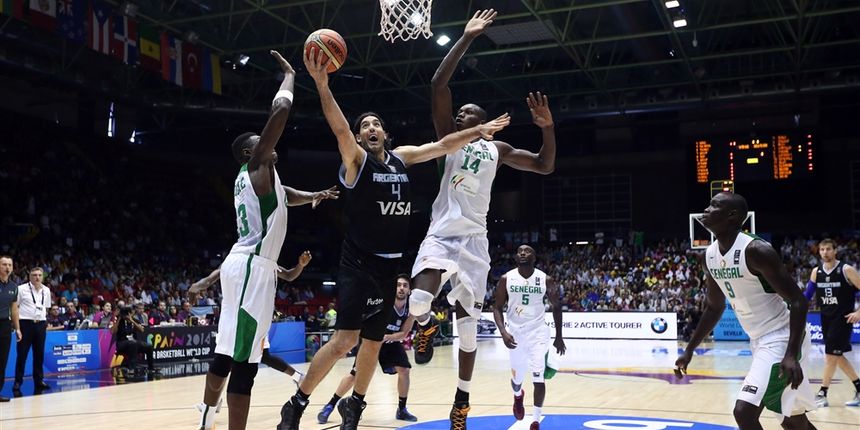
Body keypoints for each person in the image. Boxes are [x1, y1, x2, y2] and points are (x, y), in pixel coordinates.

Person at [276, 47, 510, 430]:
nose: (369, 129)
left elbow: (443, 146)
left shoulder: (402, 157)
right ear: (358, 136)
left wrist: (476, 132)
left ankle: (355, 408)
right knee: (343, 341)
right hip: (359, 261)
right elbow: (337, 126)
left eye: (375, 124)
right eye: (363, 126)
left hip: (389, 266)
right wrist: (322, 85)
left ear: (385, 133)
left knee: (372, 342)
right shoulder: (356, 159)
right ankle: (297, 403)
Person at [408, 9, 556, 427]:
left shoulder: (499, 149)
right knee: (419, 301)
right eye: (459, 115)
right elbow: (439, 84)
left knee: (470, 329)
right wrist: (467, 36)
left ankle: (462, 401)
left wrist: (547, 128)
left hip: (475, 243)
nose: (460, 117)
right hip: (441, 235)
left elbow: (544, 166)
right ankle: (425, 325)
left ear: (484, 121)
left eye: (467, 114)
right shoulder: (449, 140)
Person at [196, 49, 298, 430]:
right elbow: (281, 114)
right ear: (248, 152)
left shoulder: (262, 180)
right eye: (260, 143)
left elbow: (289, 194)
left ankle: (207, 417)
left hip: (250, 267)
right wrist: (289, 77)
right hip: (252, 267)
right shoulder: (255, 166)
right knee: (245, 360)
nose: (268, 147)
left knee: (229, 351)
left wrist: (316, 196)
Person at [676, 192, 817, 430]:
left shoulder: (756, 250)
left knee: (744, 411)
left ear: (732, 216)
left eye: (714, 206)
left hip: (782, 337)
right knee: (792, 420)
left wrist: (791, 354)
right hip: (759, 341)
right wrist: (689, 349)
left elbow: (798, 301)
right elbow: (714, 306)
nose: (706, 210)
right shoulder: (709, 256)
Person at [316, 274, 418, 424]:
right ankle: (330, 405)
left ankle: (401, 409)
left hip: (389, 342)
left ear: (409, 290)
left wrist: (385, 338)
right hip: (371, 342)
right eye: (399, 285)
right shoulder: (383, 302)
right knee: (354, 375)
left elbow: (403, 333)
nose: (402, 288)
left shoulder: (411, 310)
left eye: (405, 285)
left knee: (404, 370)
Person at [492, 245, 566, 430]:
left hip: (538, 332)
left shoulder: (545, 279)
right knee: (517, 378)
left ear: (534, 257)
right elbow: (496, 307)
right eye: (520, 251)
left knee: (537, 375)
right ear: (516, 257)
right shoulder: (505, 279)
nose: (523, 253)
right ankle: (518, 395)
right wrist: (503, 332)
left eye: (528, 251)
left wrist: (559, 336)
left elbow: (557, 306)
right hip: (515, 333)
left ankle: (535, 420)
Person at [803, 238, 860, 407]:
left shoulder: (846, 270)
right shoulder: (816, 271)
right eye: (822, 249)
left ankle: (822, 393)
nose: (825, 252)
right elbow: (807, 295)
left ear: (835, 250)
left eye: (828, 249)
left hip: (842, 319)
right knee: (837, 357)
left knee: (829, 356)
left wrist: (858, 312)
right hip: (825, 318)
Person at [13, 267, 52, 397]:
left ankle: (39, 380)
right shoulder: (21, 289)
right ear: (30, 276)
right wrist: (17, 326)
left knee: (39, 354)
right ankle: (18, 381)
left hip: (40, 324)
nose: (37, 277)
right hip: (25, 324)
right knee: (22, 355)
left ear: (43, 277)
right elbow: (15, 307)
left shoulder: (46, 290)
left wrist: (44, 323)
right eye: (34, 275)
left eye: (40, 275)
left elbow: (46, 307)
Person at [0, 255, 22, 402]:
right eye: (4, 264)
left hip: (4, 325)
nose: (7, 267)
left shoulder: (14, 287)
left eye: (9, 265)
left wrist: (18, 328)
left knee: (2, 361)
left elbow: (14, 310)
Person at [111, 305, 156, 374]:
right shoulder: (119, 321)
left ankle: (151, 368)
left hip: (133, 342)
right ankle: (131, 367)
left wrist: (131, 320)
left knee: (149, 346)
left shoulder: (134, 320)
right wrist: (119, 318)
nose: (127, 315)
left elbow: (142, 330)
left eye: (129, 313)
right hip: (121, 343)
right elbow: (113, 332)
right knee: (133, 343)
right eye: (126, 313)